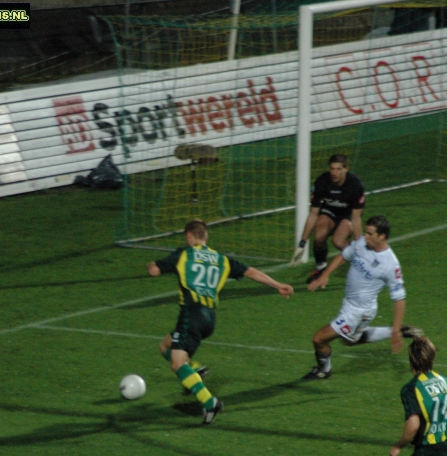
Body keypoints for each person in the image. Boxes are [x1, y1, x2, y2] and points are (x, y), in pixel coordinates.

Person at [147, 219, 294, 424]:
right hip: (209, 318)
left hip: (192, 314)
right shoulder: (221, 259)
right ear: (205, 236)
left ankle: (209, 403)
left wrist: (151, 264)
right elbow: (250, 271)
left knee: (177, 364)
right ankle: (196, 369)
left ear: (189, 236)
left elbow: (154, 270)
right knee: (165, 345)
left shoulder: (184, 254)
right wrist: (278, 285)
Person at [303, 215, 422, 380]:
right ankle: (398, 331)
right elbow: (344, 255)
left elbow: (399, 298)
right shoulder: (361, 243)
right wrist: (325, 275)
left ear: (382, 236)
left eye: (370, 234)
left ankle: (324, 370)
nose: (366, 236)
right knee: (349, 341)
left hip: (358, 311)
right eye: (366, 232)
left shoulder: (390, 264)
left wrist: (396, 329)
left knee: (319, 339)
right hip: (350, 304)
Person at [291, 154, 365, 284]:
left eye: (338, 169)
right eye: (332, 169)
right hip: (328, 214)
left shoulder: (355, 185)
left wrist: (359, 244)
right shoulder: (322, 182)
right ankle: (320, 269)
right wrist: (302, 243)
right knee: (319, 236)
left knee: (338, 242)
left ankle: (355, 257)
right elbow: (313, 214)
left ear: (346, 169)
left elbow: (356, 218)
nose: (334, 173)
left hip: (346, 217)